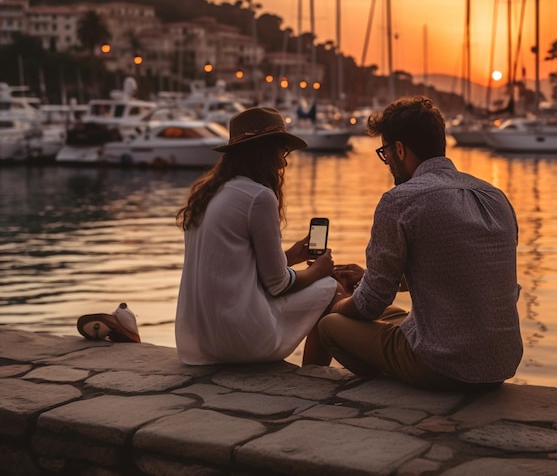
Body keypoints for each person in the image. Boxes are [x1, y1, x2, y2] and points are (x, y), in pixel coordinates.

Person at [319, 96, 523, 391]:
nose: (386, 161)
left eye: (385, 152)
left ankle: (320, 388)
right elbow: (457, 273)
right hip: (499, 365)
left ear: (399, 150)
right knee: (391, 319)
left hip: (443, 366)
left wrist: (336, 302)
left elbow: (370, 304)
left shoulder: (401, 200)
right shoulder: (495, 196)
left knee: (330, 325)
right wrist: (369, 278)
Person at [175, 106, 340, 366]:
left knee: (319, 283)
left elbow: (236, 269)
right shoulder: (258, 196)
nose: (284, 162)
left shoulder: (209, 194)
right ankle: (313, 376)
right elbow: (278, 285)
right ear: (264, 152)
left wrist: (291, 256)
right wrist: (320, 270)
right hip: (241, 340)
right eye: (282, 152)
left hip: (202, 343)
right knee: (333, 289)